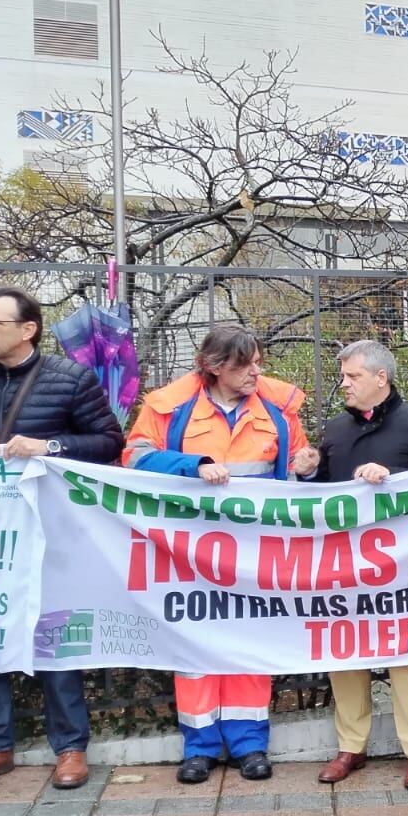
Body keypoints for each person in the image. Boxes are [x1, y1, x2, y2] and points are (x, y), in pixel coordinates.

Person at [125, 324, 317, 784]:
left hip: (254, 551)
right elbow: (133, 457)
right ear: (215, 367)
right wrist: (194, 465)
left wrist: (309, 467)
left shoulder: (277, 407)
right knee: (196, 645)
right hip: (189, 550)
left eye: (258, 363)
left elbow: (296, 470)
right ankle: (200, 747)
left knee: (249, 642)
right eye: (245, 364)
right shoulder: (171, 406)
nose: (256, 372)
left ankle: (250, 745)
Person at [0, 286, 124, 792]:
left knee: (55, 635)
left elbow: (109, 442)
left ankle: (71, 748)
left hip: (51, 535)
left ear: (28, 329)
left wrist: (50, 446)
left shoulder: (70, 379)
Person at [312, 341, 408, 792]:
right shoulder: (335, 429)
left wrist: (393, 481)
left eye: (352, 376)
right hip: (345, 564)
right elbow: (318, 494)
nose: (344, 384)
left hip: (403, 566)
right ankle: (351, 747)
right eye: (343, 376)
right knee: (345, 654)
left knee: (406, 658)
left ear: (380, 378)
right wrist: (307, 471)